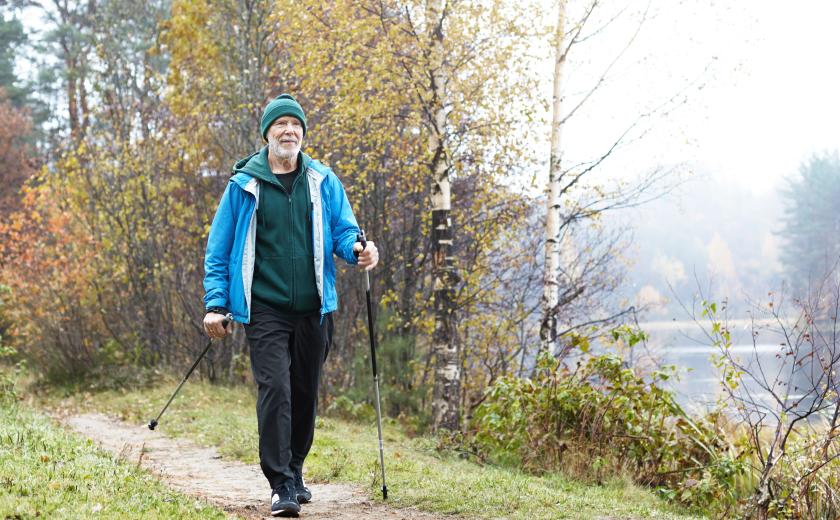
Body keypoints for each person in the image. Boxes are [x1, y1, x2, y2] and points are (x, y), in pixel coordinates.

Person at [202, 93, 379, 517]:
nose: (289, 131)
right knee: (276, 389)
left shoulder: (322, 179)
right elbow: (219, 249)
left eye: (295, 125)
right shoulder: (243, 183)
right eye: (281, 125)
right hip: (264, 308)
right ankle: (279, 482)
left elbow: (344, 230)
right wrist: (215, 303)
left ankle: (296, 470)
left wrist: (358, 250)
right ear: (267, 133)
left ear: (302, 132)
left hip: (314, 308)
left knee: (304, 391)